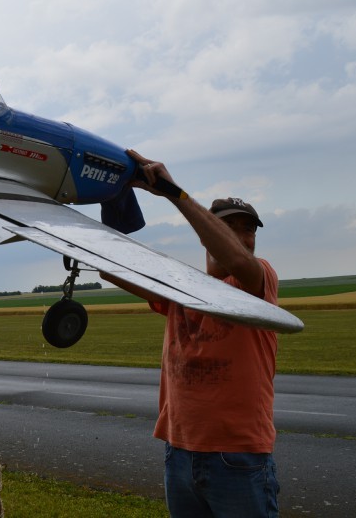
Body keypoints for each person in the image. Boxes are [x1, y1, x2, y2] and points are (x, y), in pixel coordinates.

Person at [102, 149, 281, 518]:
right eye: (232, 228)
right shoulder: (181, 288)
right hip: (179, 452)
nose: (244, 238)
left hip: (239, 457)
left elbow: (234, 260)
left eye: (249, 230)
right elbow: (111, 269)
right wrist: (111, 190)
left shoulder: (257, 279)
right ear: (208, 231)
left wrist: (174, 193)